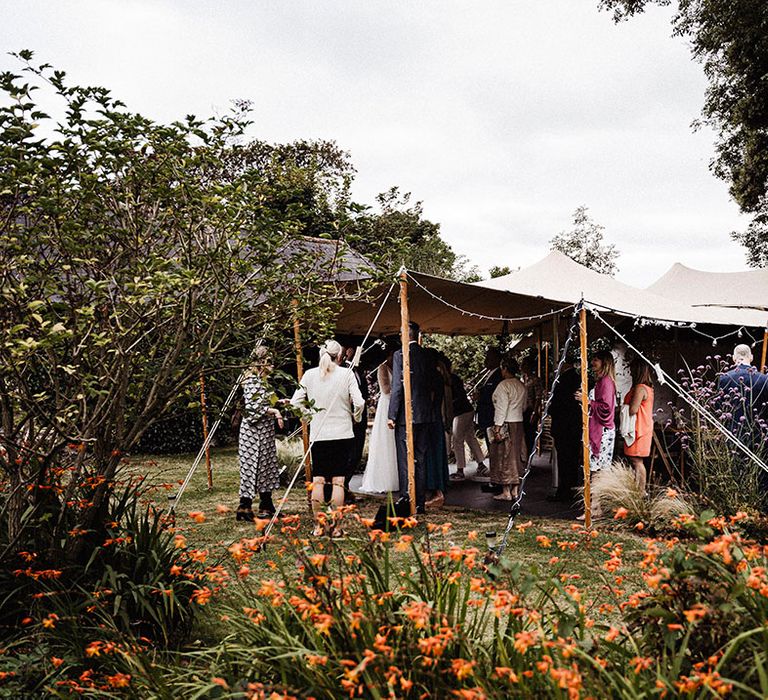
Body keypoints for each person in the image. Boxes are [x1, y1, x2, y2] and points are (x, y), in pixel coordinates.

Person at [291, 339, 364, 535]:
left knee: (319, 481)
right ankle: (337, 528)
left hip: (319, 434)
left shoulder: (309, 375)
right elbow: (360, 402)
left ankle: (318, 526)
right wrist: (355, 417)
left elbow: (294, 402)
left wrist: (309, 417)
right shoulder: (346, 374)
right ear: (339, 356)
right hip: (343, 434)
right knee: (339, 481)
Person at [388, 321, 442, 514]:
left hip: (406, 415)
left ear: (405, 334)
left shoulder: (400, 354)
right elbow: (437, 384)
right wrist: (431, 409)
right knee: (420, 458)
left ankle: (405, 500)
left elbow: (397, 387)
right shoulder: (428, 355)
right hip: (425, 415)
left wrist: (392, 414)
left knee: (405, 459)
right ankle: (419, 503)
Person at [236, 348, 284, 522]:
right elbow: (253, 408)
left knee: (266, 467)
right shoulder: (251, 381)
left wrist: (279, 402)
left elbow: (263, 402)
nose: (272, 365)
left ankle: (266, 504)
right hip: (253, 432)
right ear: (261, 362)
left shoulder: (263, 381)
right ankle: (244, 507)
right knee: (251, 468)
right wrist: (276, 412)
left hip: (264, 432)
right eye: (269, 361)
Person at [489, 357, 527, 501]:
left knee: (503, 456)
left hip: (506, 423)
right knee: (516, 455)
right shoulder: (521, 385)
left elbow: (501, 408)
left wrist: (497, 428)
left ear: (504, 369)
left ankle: (506, 491)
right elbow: (524, 407)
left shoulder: (503, 385)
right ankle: (515, 490)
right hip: (518, 423)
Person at [360, 351, 399, 493]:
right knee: (385, 441)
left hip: (394, 404)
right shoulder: (383, 368)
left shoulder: (396, 367)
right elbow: (386, 389)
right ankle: (384, 479)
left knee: (394, 443)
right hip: (386, 405)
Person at [717, 344, 768, 447]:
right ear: (751, 357)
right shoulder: (764, 379)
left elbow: (719, 407)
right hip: (759, 437)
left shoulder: (725, 378)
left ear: (733, 358)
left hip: (733, 435)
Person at [547, 354, 582, 503]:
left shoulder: (564, 381)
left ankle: (564, 491)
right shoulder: (576, 378)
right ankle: (570, 488)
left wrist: (550, 409)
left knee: (565, 459)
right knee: (572, 459)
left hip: (564, 426)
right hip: (573, 425)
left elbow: (558, 404)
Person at [447, 359, 487, 482]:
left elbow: (456, 398)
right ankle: (481, 464)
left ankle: (460, 470)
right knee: (470, 437)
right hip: (466, 410)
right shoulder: (454, 378)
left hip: (461, 412)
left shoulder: (449, 380)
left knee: (457, 439)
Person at [623, 359, 655, 494]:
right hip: (643, 427)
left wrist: (623, 407)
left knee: (637, 461)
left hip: (638, 428)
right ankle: (638, 490)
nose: (630, 373)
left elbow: (633, 409)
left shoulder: (640, 388)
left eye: (632, 370)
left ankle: (641, 491)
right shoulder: (648, 388)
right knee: (636, 461)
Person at [344, 345, 369, 503]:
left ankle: (347, 487)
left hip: (360, 420)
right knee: (349, 454)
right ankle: (344, 488)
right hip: (349, 419)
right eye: (355, 351)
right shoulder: (343, 372)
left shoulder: (359, 371)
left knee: (356, 454)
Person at [476, 347, 503, 482]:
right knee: (490, 446)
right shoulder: (490, 374)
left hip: (491, 415)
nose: (485, 360)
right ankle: (495, 476)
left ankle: (496, 478)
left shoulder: (498, 375)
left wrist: (480, 396)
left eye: (488, 357)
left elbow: (493, 395)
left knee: (494, 448)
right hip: (486, 415)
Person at [520, 356, 543, 459]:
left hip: (530, 409)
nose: (522, 367)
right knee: (522, 435)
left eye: (525, 364)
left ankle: (529, 459)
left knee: (530, 435)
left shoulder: (535, 379)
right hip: (522, 409)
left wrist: (535, 411)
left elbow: (538, 396)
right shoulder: (521, 378)